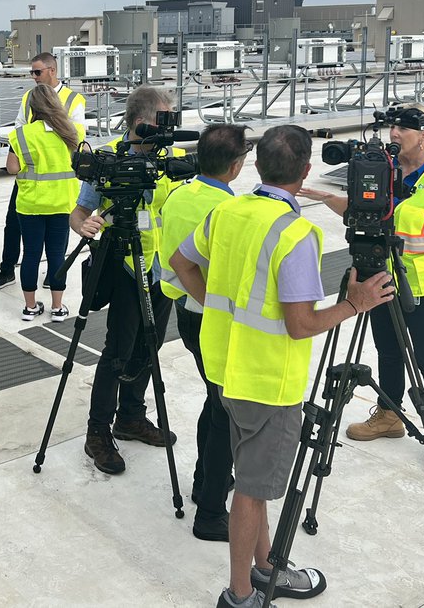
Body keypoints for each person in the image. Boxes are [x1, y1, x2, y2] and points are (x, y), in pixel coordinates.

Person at [171, 125, 394, 608]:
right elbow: (300, 324)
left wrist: (212, 305)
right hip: (269, 383)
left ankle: (267, 565)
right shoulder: (296, 234)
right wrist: (355, 304)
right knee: (251, 491)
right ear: (306, 172)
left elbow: (180, 261)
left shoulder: (226, 210)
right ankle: (240, 594)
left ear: (257, 165)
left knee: (251, 480)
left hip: (226, 368)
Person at [301, 103, 424, 479]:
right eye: (392, 127)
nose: (394, 134)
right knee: (388, 351)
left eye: (404, 129)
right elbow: (368, 214)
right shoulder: (380, 170)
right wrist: (329, 199)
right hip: (381, 280)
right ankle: (389, 415)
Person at [70, 85, 181, 475]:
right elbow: (80, 210)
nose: (168, 128)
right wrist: (85, 224)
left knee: (149, 348)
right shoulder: (107, 161)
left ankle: (131, 416)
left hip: (162, 269)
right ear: (140, 123)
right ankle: (97, 431)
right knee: (117, 351)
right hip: (125, 266)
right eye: (162, 120)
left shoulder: (171, 158)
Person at [157, 123, 251, 542]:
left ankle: (204, 481)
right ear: (235, 166)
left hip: (184, 311)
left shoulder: (181, 195)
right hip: (209, 314)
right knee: (223, 412)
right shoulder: (226, 209)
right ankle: (211, 511)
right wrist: (215, 304)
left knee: (215, 402)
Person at [0, 52, 85, 291]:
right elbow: (19, 127)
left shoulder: (74, 99)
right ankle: (7, 269)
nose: (34, 77)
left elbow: (77, 137)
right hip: (30, 174)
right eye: (31, 72)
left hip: (56, 178)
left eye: (37, 72)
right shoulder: (28, 97)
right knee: (13, 224)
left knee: (56, 237)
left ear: (52, 70)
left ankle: (54, 275)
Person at [7, 84, 81, 321]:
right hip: (62, 203)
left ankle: (30, 307)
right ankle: (58, 307)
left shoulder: (20, 134)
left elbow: (12, 168)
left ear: (32, 107)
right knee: (57, 255)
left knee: (30, 254)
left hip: (30, 205)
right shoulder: (72, 132)